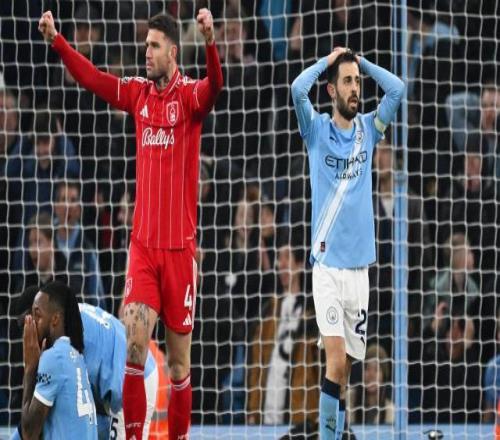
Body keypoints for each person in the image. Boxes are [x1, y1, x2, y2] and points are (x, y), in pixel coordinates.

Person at [39, 7, 223, 439]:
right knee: (134, 351)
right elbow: (93, 79)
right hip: (143, 249)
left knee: (179, 365)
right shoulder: (138, 94)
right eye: (145, 45)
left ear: (173, 52)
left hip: (179, 252)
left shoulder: (189, 98)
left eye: (154, 46)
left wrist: (211, 42)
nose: (146, 52)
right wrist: (59, 42)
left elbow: (216, 86)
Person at [291, 47, 404, 438]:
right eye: (347, 81)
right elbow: (297, 88)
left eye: (357, 81)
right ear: (331, 90)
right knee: (335, 364)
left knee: (345, 373)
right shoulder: (316, 130)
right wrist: (328, 61)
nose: (355, 88)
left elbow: (397, 89)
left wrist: (361, 63)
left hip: (360, 273)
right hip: (326, 269)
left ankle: (337, 433)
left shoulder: (370, 130)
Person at [14, 284, 158, 440]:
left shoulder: (61, 346)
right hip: (127, 375)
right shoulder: (67, 321)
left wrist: (31, 367)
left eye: (27, 322)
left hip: (133, 380)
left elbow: (33, 425)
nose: (25, 332)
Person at [15, 281, 98, 439]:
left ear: (55, 319)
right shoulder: (76, 355)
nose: (32, 322)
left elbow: (29, 434)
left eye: (37, 315)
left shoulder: (53, 358)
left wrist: (30, 368)